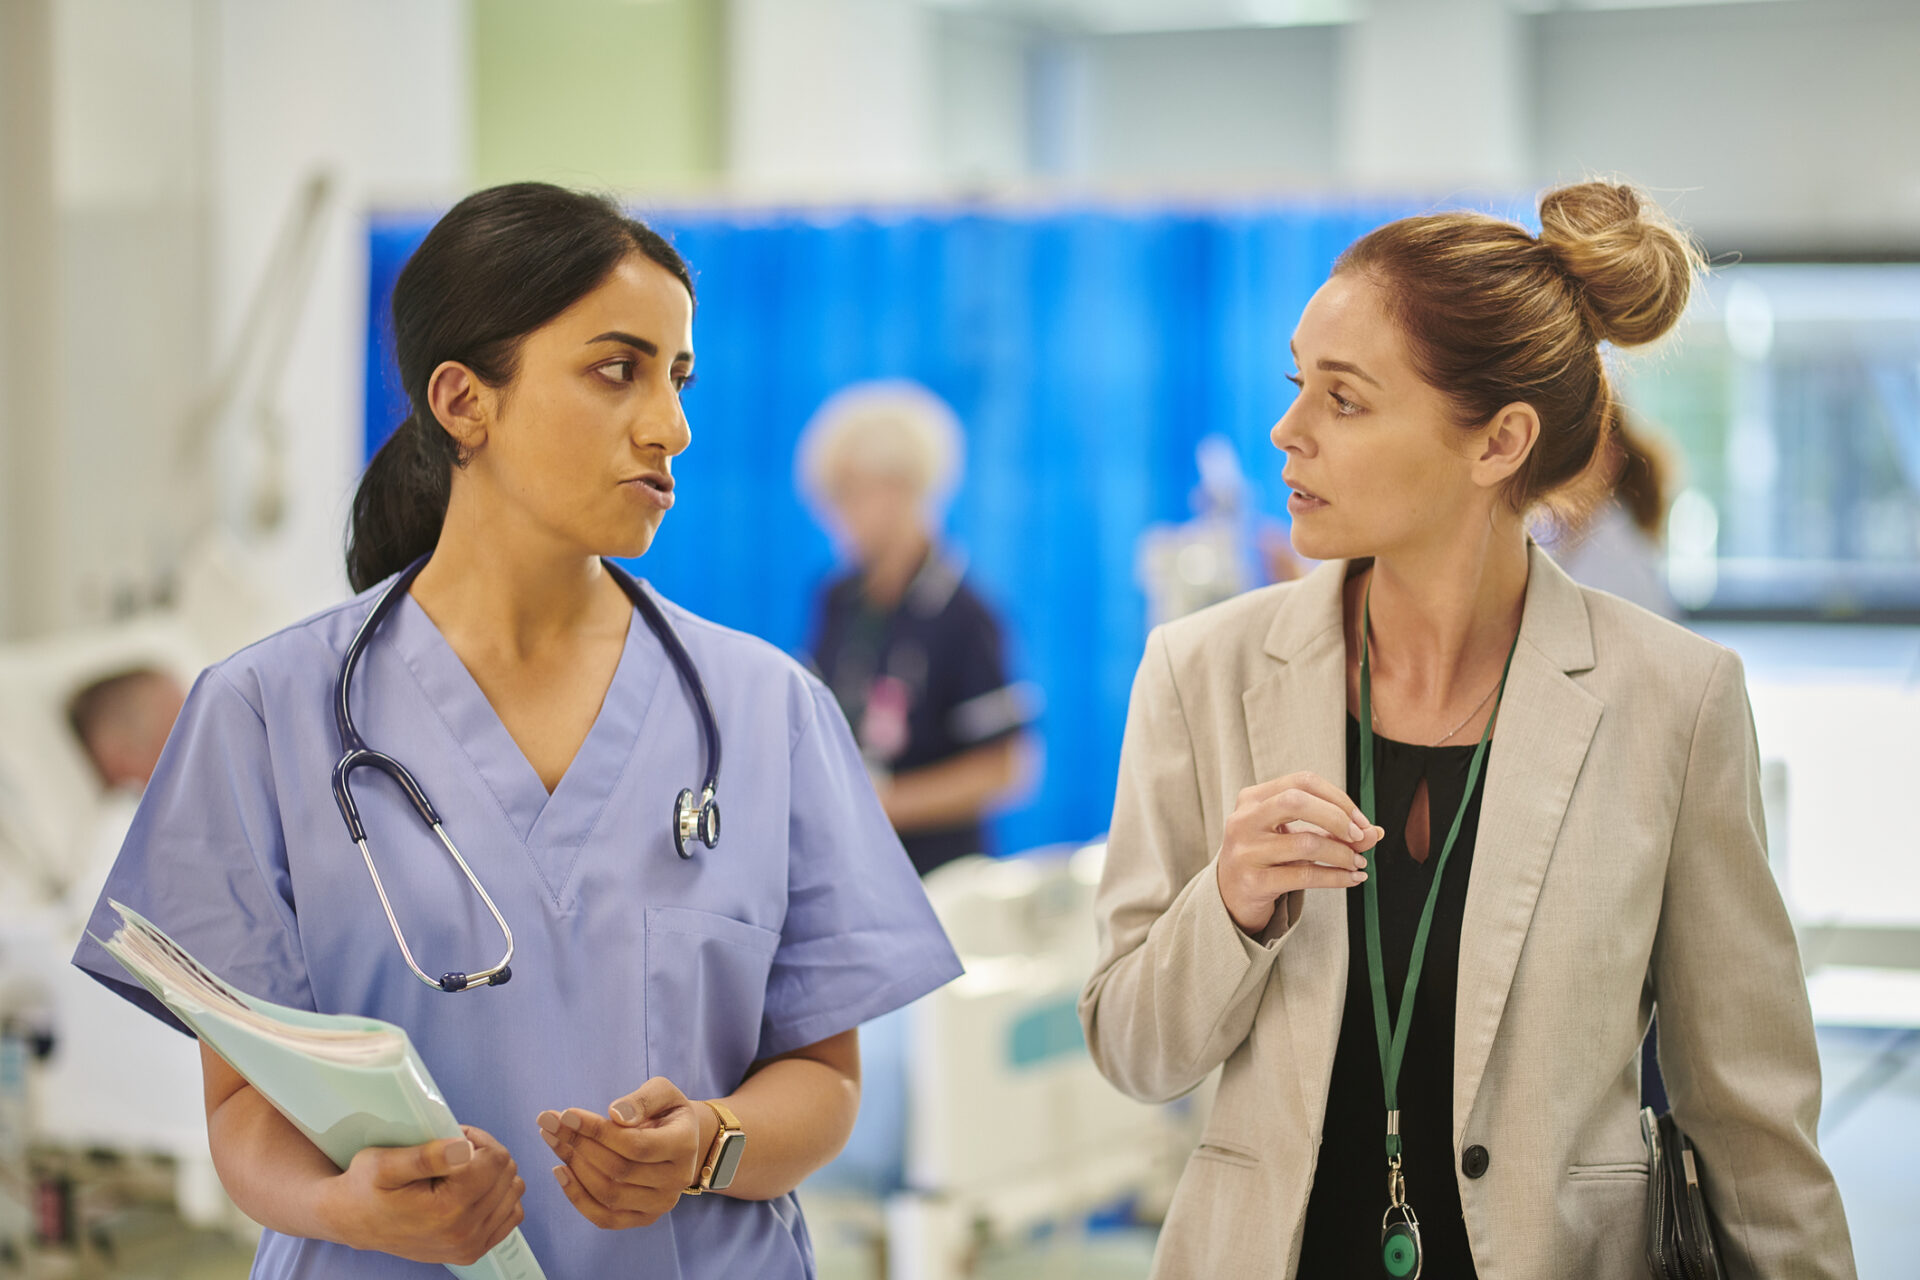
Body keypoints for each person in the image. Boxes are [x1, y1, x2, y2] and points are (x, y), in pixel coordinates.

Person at [71, 183, 962, 1278]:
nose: (671, 424)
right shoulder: (262, 714)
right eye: (616, 368)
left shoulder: (766, 709)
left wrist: (705, 1147)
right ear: (463, 401)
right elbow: (244, 1105)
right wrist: (348, 1207)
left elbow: (825, 1082)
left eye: (678, 377)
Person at [1078, 181, 1854, 1278]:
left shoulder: (1674, 701)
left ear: (1499, 442)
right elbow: (1131, 1048)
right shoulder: (1201, 672)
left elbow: (1752, 1121)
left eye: (1343, 401)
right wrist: (1233, 903)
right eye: (1299, 385)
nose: (1285, 432)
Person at [799, 381, 1037, 877]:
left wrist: (885, 805)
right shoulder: (838, 598)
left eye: (850, 493)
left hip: (939, 880)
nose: (835, 514)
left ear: (904, 487)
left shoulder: (965, 614)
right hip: (847, 871)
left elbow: (1009, 767)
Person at [1549, 414, 1682, 618]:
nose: (1554, 464)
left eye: (1573, 450)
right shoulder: (1562, 537)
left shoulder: (1623, 565)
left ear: (1611, 453)